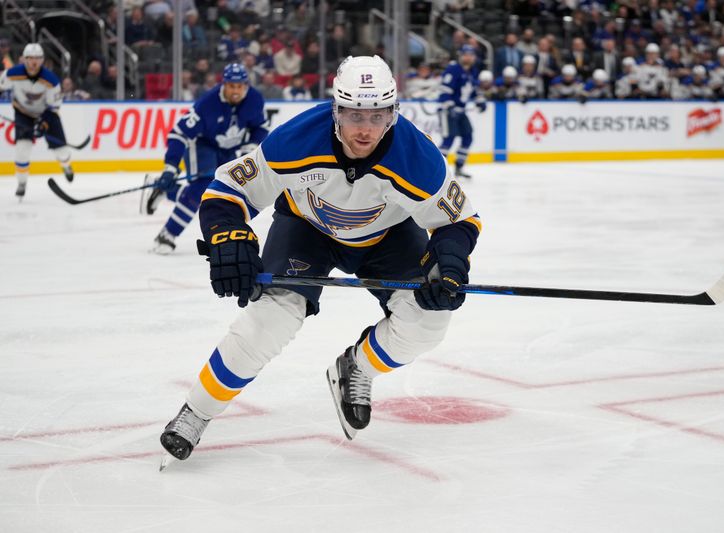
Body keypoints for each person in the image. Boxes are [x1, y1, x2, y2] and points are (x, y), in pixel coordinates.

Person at [158, 55, 481, 464]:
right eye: (353, 115)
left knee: (428, 322)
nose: (365, 130)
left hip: (389, 235)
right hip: (306, 229)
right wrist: (228, 235)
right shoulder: (294, 140)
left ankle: (357, 368)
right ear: (335, 110)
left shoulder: (418, 158)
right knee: (269, 320)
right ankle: (196, 413)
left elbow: (459, 219)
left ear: (393, 114)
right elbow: (227, 189)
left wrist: (448, 262)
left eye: (378, 116)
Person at [146, 63, 269, 253]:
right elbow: (179, 134)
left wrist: (250, 146)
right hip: (202, 145)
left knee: (221, 192)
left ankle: (165, 189)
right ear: (224, 85)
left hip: (230, 149)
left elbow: (261, 127)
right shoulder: (207, 104)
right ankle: (167, 234)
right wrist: (170, 167)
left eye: (240, 86)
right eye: (231, 86)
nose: (236, 91)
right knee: (200, 189)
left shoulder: (254, 99)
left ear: (246, 85)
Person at [0, 43, 74, 200]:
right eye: (30, 59)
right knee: (22, 148)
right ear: (24, 59)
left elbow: (53, 107)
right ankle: (21, 183)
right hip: (23, 112)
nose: (34, 62)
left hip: (46, 113)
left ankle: (66, 166)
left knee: (61, 149)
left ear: (43, 60)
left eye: (38, 59)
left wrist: (44, 124)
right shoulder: (12, 74)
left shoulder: (51, 80)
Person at [438, 45, 486, 179]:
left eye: (471, 55)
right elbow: (444, 90)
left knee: (468, 137)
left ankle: (459, 166)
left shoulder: (473, 71)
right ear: (461, 55)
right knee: (449, 139)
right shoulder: (453, 70)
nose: (468, 57)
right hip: (447, 111)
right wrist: (450, 105)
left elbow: (475, 90)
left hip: (461, 111)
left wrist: (480, 101)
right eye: (466, 54)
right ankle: (437, 169)